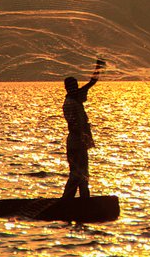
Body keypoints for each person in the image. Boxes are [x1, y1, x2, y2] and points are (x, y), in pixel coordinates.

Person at [62, 58, 105, 199]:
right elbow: (75, 126)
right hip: (77, 142)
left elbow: (91, 83)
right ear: (70, 89)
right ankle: (68, 202)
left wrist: (98, 67)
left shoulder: (72, 99)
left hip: (76, 142)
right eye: (74, 87)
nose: (78, 89)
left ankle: (81, 201)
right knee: (78, 174)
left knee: (80, 174)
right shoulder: (71, 101)